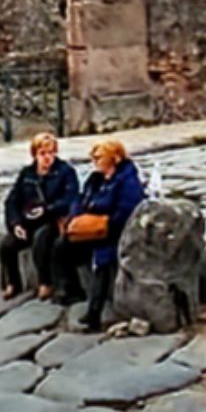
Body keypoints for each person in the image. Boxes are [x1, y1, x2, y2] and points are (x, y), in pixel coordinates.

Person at [69, 139, 146, 331]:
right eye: (93, 157)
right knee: (61, 244)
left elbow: (127, 210)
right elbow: (79, 199)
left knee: (103, 259)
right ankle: (68, 292)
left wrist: (103, 222)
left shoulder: (128, 180)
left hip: (115, 231)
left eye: (99, 157)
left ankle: (94, 313)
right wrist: (76, 217)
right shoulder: (95, 179)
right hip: (92, 227)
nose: (94, 161)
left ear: (115, 158)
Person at [0, 132, 79, 300]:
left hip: (52, 219)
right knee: (7, 245)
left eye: (51, 153)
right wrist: (16, 223)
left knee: (41, 240)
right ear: (35, 154)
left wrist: (48, 209)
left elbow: (70, 198)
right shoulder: (27, 174)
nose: (48, 158)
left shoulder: (65, 172)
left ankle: (45, 282)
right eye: (43, 154)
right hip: (28, 220)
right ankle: (13, 283)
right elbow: (12, 201)